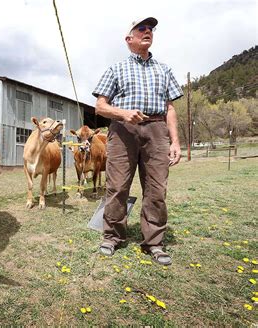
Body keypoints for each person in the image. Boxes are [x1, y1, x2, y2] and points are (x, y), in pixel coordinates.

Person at [92, 17, 183, 265]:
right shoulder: (116, 68)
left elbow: (170, 108)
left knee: (156, 189)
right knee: (118, 186)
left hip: (156, 130)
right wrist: (123, 113)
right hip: (123, 131)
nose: (148, 32)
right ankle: (111, 237)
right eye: (142, 28)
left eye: (151, 29)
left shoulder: (164, 70)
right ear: (129, 38)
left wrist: (175, 142)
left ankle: (154, 242)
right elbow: (100, 106)